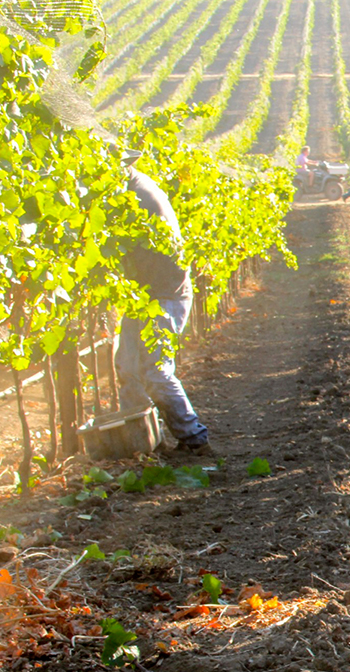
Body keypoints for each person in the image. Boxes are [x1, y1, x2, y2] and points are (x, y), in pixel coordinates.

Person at [116, 159, 212, 456]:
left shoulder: (134, 197)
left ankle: (195, 439)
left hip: (164, 296)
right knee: (128, 366)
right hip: (148, 295)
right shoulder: (135, 186)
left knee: (155, 372)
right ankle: (142, 443)